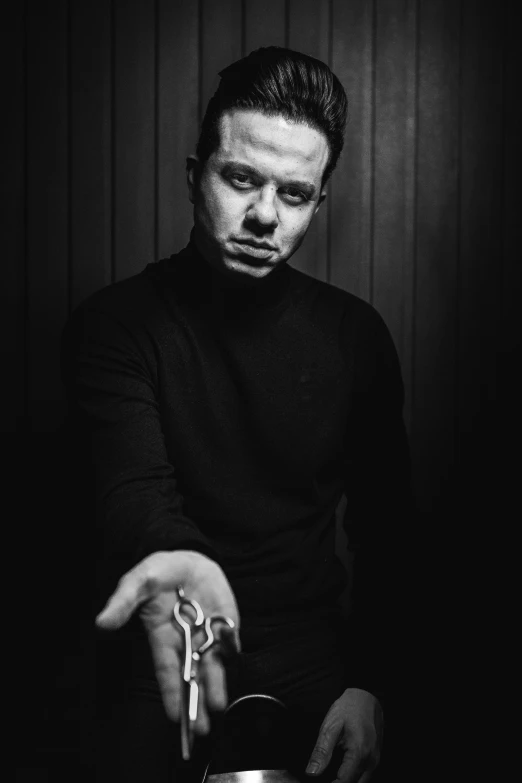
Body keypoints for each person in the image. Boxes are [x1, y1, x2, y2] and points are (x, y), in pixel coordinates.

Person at [61, 46, 412, 783]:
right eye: (241, 178)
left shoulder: (355, 336)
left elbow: (389, 531)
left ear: (320, 202)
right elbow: (135, 495)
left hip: (315, 656)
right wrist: (190, 570)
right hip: (163, 642)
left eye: (294, 193)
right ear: (196, 177)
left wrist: (375, 680)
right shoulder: (116, 326)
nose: (263, 215)